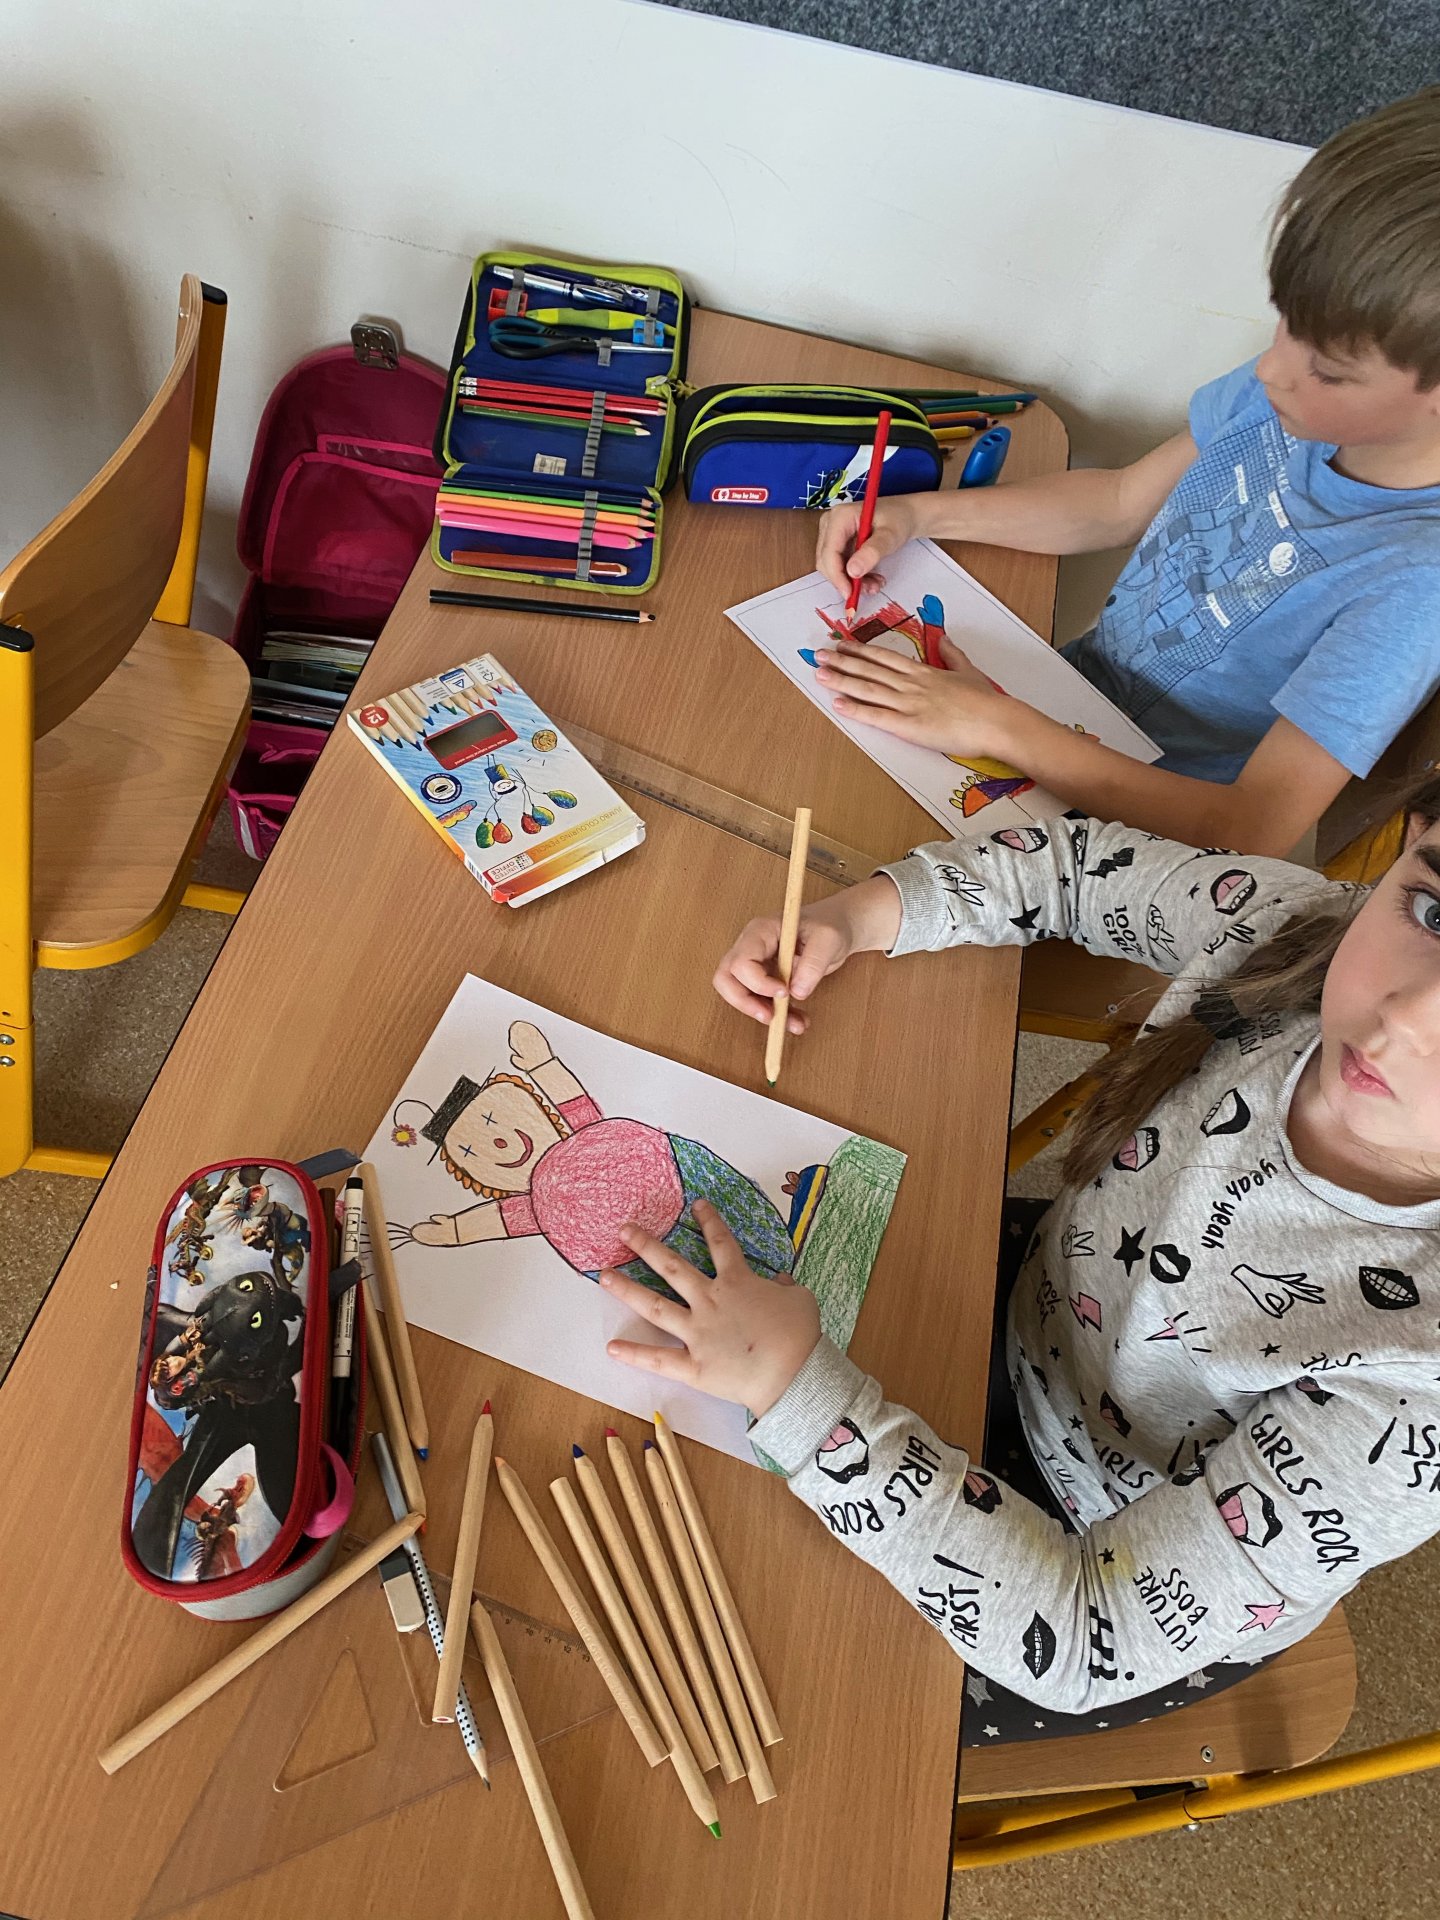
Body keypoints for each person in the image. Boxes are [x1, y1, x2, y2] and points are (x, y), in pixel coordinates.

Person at [595, 776, 1440, 1737]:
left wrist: (795, 1391)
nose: (1407, 1020)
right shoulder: (1296, 927)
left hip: (1093, 1544)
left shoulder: (1422, 1383)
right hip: (1036, 1312)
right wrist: (858, 917)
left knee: (748, 1681)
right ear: (1413, 837)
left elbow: (1089, 1634)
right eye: (1434, 911)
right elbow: (1073, 868)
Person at [815, 88, 1440, 858]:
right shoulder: (1284, 398)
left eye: (1330, 369)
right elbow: (1115, 503)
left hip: (1144, 845)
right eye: (1284, 321)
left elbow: (1251, 828)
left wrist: (997, 725)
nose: (1271, 369)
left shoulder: (1417, 584)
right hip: (1057, 710)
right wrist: (918, 514)